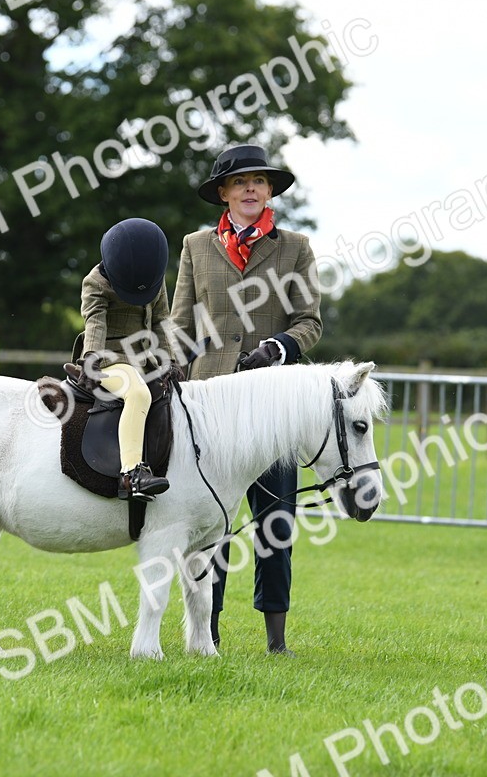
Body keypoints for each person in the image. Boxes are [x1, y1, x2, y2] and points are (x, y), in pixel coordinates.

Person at [169, 144, 323, 655]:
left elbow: (309, 322)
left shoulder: (295, 247)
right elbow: (180, 325)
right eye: (240, 182)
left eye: (260, 181)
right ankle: (204, 633)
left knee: (275, 522)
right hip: (207, 409)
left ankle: (276, 641)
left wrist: (280, 348)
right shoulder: (195, 245)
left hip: (270, 407)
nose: (252, 189)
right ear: (224, 193)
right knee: (208, 525)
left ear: (271, 190)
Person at [72, 217, 173, 502]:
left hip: (145, 361)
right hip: (110, 360)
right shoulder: (96, 282)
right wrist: (90, 358)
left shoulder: (153, 275)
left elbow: (162, 320)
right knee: (138, 394)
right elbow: (95, 323)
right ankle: (131, 475)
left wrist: (169, 360)